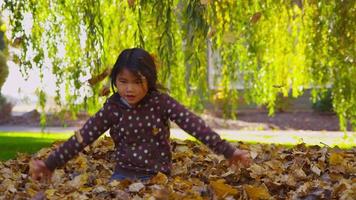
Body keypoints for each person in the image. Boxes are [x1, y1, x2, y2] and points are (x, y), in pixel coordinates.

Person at [30, 48, 251, 182]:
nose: (129, 89)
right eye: (123, 81)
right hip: (123, 175)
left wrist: (228, 151)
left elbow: (194, 126)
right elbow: (83, 136)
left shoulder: (160, 102)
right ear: (115, 81)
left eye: (137, 82)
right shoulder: (113, 107)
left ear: (150, 79)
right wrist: (50, 164)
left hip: (158, 176)